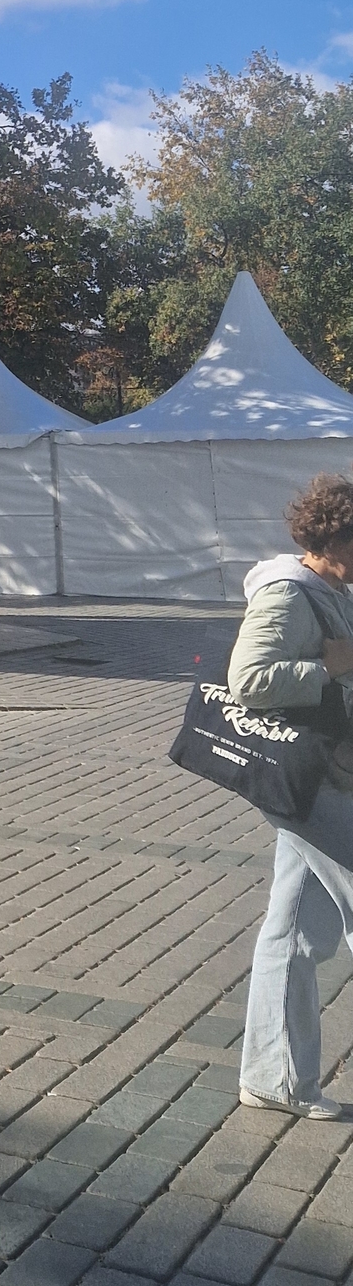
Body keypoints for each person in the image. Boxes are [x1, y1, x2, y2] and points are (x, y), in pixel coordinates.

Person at [230, 474, 353, 1120]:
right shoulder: (287, 592)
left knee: (298, 929)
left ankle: (274, 1079)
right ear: (331, 539)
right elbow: (248, 679)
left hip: (333, 774)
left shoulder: (334, 590)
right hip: (310, 780)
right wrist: (328, 666)